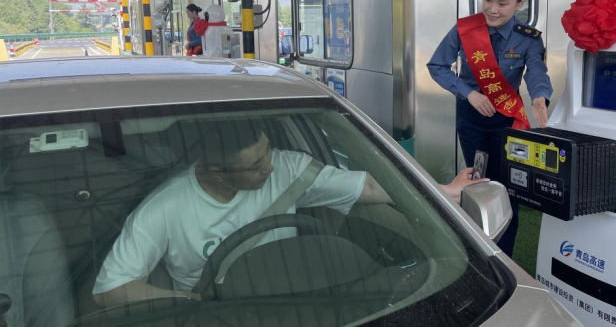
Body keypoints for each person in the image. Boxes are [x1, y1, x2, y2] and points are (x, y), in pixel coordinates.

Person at [92, 120, 485, 307]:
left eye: (267, 152)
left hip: (299, 298)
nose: (269, 167)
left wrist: (444, 192)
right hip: (221, 310)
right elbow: (110, 289)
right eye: (254, 165)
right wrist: (189, 299)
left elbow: (368, 187)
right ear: (215, 171)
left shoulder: (288, 166)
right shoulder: (165, 208)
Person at [427, 0, 553, 257]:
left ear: (520, 3)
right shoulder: (466, 29)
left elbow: (536, 71)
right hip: (471, 121)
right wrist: (468, 93)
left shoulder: (528, 38)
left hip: (507, 123)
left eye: (502, 3)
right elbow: (437, 66)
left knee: (508, 189)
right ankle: (477, 250)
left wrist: (540, 97)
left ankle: (505, 257)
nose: (492, 9)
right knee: (476, 183)